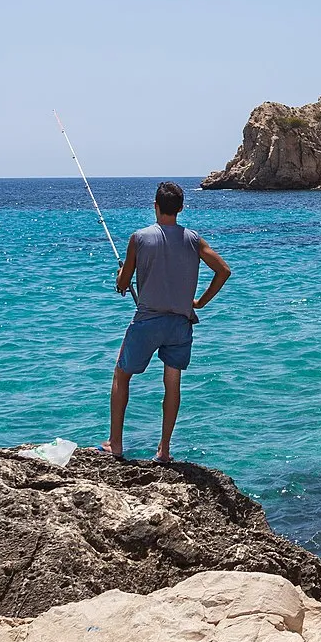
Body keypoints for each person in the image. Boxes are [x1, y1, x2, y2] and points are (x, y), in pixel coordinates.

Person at [106, 181, 230, 461]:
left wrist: (120, 278)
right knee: (172, 384)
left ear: (155, 206)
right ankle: (163, 450)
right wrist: (199, 302)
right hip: (180, 324)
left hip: (148, 321)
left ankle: (115, 444)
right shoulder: (195, 240)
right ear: (181, 209)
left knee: (121, 376)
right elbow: (223, 270)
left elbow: (123, 284)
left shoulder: (139, 238)